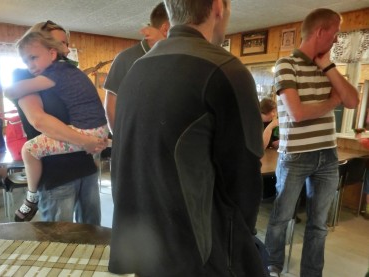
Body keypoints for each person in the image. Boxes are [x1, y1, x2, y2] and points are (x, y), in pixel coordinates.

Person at [109, 0, 267, 276]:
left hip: (146, 243)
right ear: (218, 7)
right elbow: (244, 179)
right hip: (199, 252)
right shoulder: (225, 69)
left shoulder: (136, 69)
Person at [264, 8, 359, 277]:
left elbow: (352, 101)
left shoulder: (329, 69)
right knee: (281, 217)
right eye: (336, 33)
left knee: (319, 224)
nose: (337, 40)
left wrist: (328, 68)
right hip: (295, 154)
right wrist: (331, 102)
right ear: (320, 32)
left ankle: (311, 273)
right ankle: (271, 267)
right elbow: (297, 114)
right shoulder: (286, 65)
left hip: (327, 155)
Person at [5, 31, 109, 222]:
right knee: (69, 234)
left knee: (28, 150)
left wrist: (8, 90)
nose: (66, 50)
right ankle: (32, 196)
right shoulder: (64, 72)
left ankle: (31, 196)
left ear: (52, 54)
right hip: (60, 173)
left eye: (65, 44)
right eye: (27, 60)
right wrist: (88, 142)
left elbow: (13, 91)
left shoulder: (55, 73)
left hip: (85, 156)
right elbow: (38, 119)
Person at [103, 2, 169, 133]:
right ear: (166, 29)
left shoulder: (175, 57)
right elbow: (111, 105)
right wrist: (119, 140)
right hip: (136, 142)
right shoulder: (125, 59)